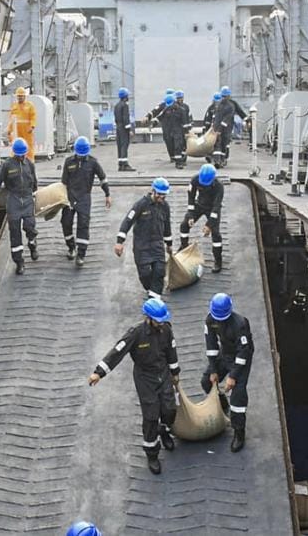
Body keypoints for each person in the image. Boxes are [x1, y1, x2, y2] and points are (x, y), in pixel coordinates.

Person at [88, 297, 181, 475]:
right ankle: (152, 453)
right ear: (148, 318)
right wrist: (98, 372)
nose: (160, 324)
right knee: (151, 416)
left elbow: (171, 351)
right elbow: (117, 352)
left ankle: (165, 431)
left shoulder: (166, 330)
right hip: (145, 380)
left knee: (170, 409)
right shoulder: (136, 334)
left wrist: (175, 373)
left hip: (163, 375)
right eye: (158, 321)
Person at [202, 293, 253, 452]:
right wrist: (213, 369)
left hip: (240, 359)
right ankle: (222, 404)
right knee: (206, 382)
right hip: (225, 355)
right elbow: (211, 345)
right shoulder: (210, 320)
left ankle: (239, 432)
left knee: (238, 396)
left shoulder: (240, 324)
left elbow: (244, 351)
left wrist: (233, 376)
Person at [114, 177, 173, 299]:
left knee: (159, 272)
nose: (162, 197)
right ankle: (151, 291)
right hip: (142, 247)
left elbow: (167, 226)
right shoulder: (141, 205)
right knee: (145, 275)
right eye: (160, 194)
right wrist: (119, 242)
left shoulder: (165, 207)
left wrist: (169, 244)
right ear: (153, 191)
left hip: (157, 246)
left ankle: (154, 301)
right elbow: (127, 221)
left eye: (164, 195)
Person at [0, 137, 38, 275]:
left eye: (23, 154)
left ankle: (33, 244)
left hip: (28, 200)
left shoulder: (30, 164)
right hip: (14, 201)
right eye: (19, 154)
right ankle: (19, 262)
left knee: (30, 226)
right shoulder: (6, 165)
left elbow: (34, 183)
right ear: (15, 153)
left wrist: (36, 197)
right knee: (15, 233)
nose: (22, 156)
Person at [61, 136, 110, 267]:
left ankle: (81, 254)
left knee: (83, 225)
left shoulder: (93, 163)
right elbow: (64, 183)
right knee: (66, 223)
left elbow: (102, 178)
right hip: (69, 198)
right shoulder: (68, 162)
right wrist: (61, 199)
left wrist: (107, 194)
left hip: (84, 198)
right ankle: (71, 247)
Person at [180, 164, 225, 273]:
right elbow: (191, 199)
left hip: (212, 209)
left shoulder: (219, 187)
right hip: (199, 205)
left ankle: (218, 261)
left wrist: (209, 225)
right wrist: (190, 215)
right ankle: (184, 247)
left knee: (216, 234)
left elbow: (216, 206)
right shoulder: (195, 180)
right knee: (184, 225)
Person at [148, 94, 186, 169]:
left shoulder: (181, 110)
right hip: (169, 131)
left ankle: (179, 163)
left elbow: (185, 121)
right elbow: (159, 117)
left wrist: (186, 132)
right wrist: (152, 124)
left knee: (178, 146)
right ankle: (174, 159)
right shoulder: (166, 110)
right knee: (171, 145)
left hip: (178, 131)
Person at [213, 86, 247, 167]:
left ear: (229, 96)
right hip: (218, 128)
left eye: (225, 96)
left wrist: (247, 119)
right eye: (223, 96)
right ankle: (217, 161)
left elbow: (238, 113)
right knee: (217, 144)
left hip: (227, 128)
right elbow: (216, 117)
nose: (224, 98)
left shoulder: (232, 105)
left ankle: (223, 159)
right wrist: (214, 127)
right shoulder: (219, 104)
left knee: (225, 144)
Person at [6, 86, 37, 161]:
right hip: (17, 130)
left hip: (27, 131)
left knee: (28, 146)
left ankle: (30, 162)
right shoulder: (14, 106)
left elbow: (33, 116)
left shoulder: (30, 106)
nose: (20, 97)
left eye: (21, 96)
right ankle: (16, 162)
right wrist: (9, 130)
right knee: (16, 145)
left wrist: (32, 126)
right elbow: (11, 118)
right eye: (18, 96)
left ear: (24, 96)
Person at [114, 87, 135, 171]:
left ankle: (120, 165)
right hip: (123, 128)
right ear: (125, 96)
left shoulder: (116, 106)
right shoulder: (125, 105)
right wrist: (129, 129)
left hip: (118, 127)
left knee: (119, 145)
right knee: (124, 145)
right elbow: (126, 118)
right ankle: (125, 165)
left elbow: (116, 118)